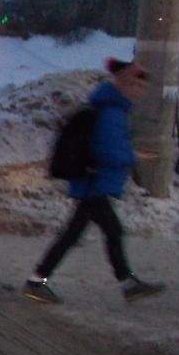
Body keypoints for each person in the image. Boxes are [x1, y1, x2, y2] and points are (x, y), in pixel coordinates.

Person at [24, 59, 165, 305]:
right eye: (136, 87)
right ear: (124, 85)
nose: (140, 93)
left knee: (77, 234)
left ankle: (37, 281)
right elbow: (108, 151)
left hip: (92, 183)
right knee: (108, 231)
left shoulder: (111, 108)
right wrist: (133, 155)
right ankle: (126, 283)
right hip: (94, 184)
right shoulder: (112, 112)